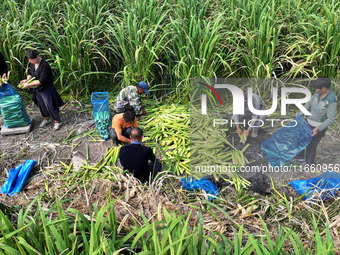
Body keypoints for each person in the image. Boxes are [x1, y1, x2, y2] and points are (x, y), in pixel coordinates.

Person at [20, 50, 64, 130]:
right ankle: (46, 118)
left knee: (50, 105)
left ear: (37, 57)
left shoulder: (45, 65)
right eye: (30, 61)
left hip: (47, 88)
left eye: (33, 60)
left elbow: (41, 81)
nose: (32, 62)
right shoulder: (32, 63)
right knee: (41, 105)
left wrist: (28, 85)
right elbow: (30, 73)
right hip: (38, 89)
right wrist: (26, 80)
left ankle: (57, 121)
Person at [298, 77, 337, 166]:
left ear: (324, 89)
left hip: (318, 126)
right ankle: (300, 156)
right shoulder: (317, 93)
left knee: (311, 145)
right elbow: (309, 104)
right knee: (302, 138)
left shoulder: (331, 100)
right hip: (308, 121)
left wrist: (318, 129)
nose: (316, 90)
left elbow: (331, 118)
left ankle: (309, 163)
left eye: (318, 89)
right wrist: (301, 113)